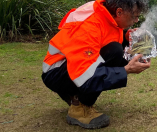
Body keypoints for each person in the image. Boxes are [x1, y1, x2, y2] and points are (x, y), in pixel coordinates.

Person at [41, 0, 150, 129]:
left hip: (70, 66)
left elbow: (107, 47)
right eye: (135, 16)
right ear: (119, 12)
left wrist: (126, 40)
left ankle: (74, 96)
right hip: (56, 72)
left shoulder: (106, 14)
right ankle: (79, 109)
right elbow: (86, 77)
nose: (136, 20)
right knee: (115, 52)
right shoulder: (89, 25)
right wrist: (126, 70)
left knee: (116, 50)